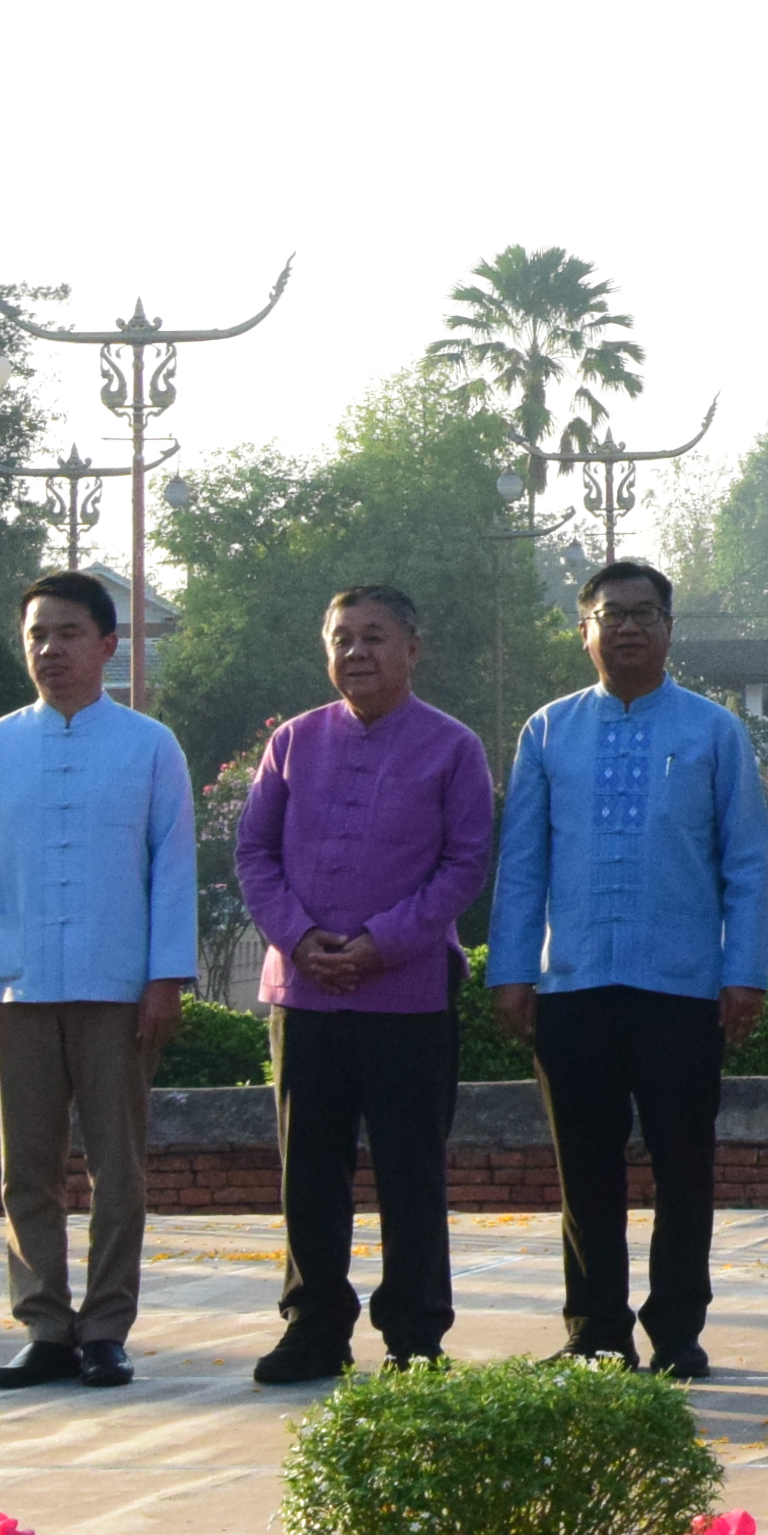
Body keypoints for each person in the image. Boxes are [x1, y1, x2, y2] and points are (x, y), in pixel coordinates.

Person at [489, 560, 768, 1379]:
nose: (629, 628)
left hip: (681, 989)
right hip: (573, 987)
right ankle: (596, 1332)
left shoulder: (714, 731)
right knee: (586, 1169)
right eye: (611, 615)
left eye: (646, 615)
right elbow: (523, 863)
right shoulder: (548, 731)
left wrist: (744, 972)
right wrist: (512, 969)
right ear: (584, 631)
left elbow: (747, 862)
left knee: (685, 1166)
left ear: (671, 631)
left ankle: (679, 1331)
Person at [0, 571, 196, 1392]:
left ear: (109, 646)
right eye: (37, 634)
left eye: (69, 633)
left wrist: (166, 979)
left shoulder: (150, 745)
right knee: (26, 1169)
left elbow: (173, 866)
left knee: (120, 1168)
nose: (50, 650)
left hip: (120, 990)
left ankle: (107, 1327)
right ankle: (45, 1324)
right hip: (17, 986)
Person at [236, 584, 497, 1384]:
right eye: (342, 638)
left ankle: (416, 1334)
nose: (356, 653)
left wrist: (382, 944)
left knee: (410, 1171)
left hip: (408, 996)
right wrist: (300, 936)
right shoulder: (293, 743)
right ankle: (313, 1327)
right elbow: (254, 853)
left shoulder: (453, 747)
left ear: (412, 649)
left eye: (374, 637)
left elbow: (466, 865)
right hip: (305, 992)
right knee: (308, 1171)